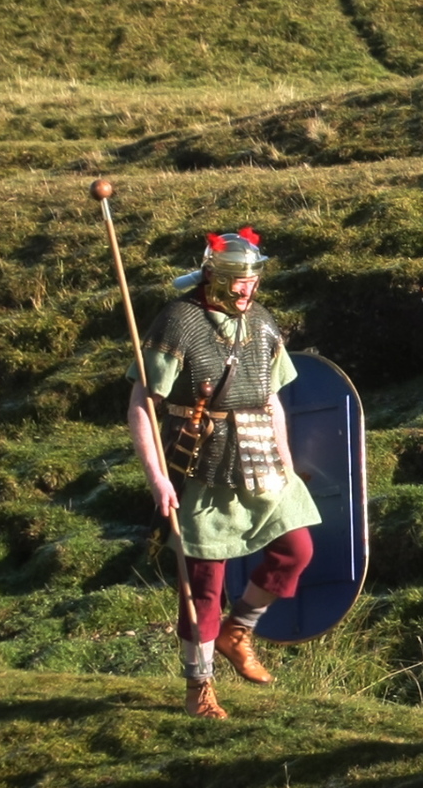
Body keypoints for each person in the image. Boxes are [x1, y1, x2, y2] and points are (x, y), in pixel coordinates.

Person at [127, 227, 320, 720]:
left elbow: (272, 400)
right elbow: (140, 406)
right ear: (213, 276)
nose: (245, 290)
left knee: (296, 551)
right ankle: (200, 688)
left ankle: (240, 630)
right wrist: (157, 479)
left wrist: (287, 463)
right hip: (200, 462)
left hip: (261, 457)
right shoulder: (179, 322)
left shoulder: (261, 322)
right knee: (203, 585)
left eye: (251, 281)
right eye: (237, 281)